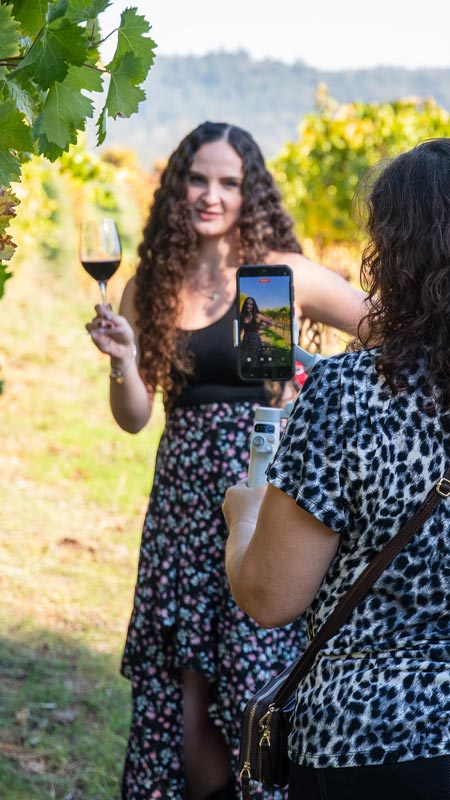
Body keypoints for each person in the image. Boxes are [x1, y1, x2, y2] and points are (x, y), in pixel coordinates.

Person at [86, 120, 367, 800]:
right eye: (198, 178)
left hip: (260, 494)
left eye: (229, 182)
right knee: (185, 693)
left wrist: (326, 389)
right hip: (183, 506)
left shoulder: (275, 276)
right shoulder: (152, 284)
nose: (211, 195)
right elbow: (134, 416)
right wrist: (123, 360)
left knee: (254, 682)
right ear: (178, 187)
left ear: (250, 192)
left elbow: (387, 328)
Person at [223, 137, 450, 800]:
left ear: (393, 250)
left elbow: (270, 598)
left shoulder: (347, 392)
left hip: (367, 740)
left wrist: (244, 519)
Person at [239, 296, 273, 363]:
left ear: (253, 306)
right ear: (244, 305)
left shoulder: (257, 316)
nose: (248, 306)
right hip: (245, 339)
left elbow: (270, 323)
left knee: (254, 359)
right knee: (244, 358)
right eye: (247, 304)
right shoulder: (242, 316)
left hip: (255, 340)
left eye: (251, 304)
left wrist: (259, 328)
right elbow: (240, 329)